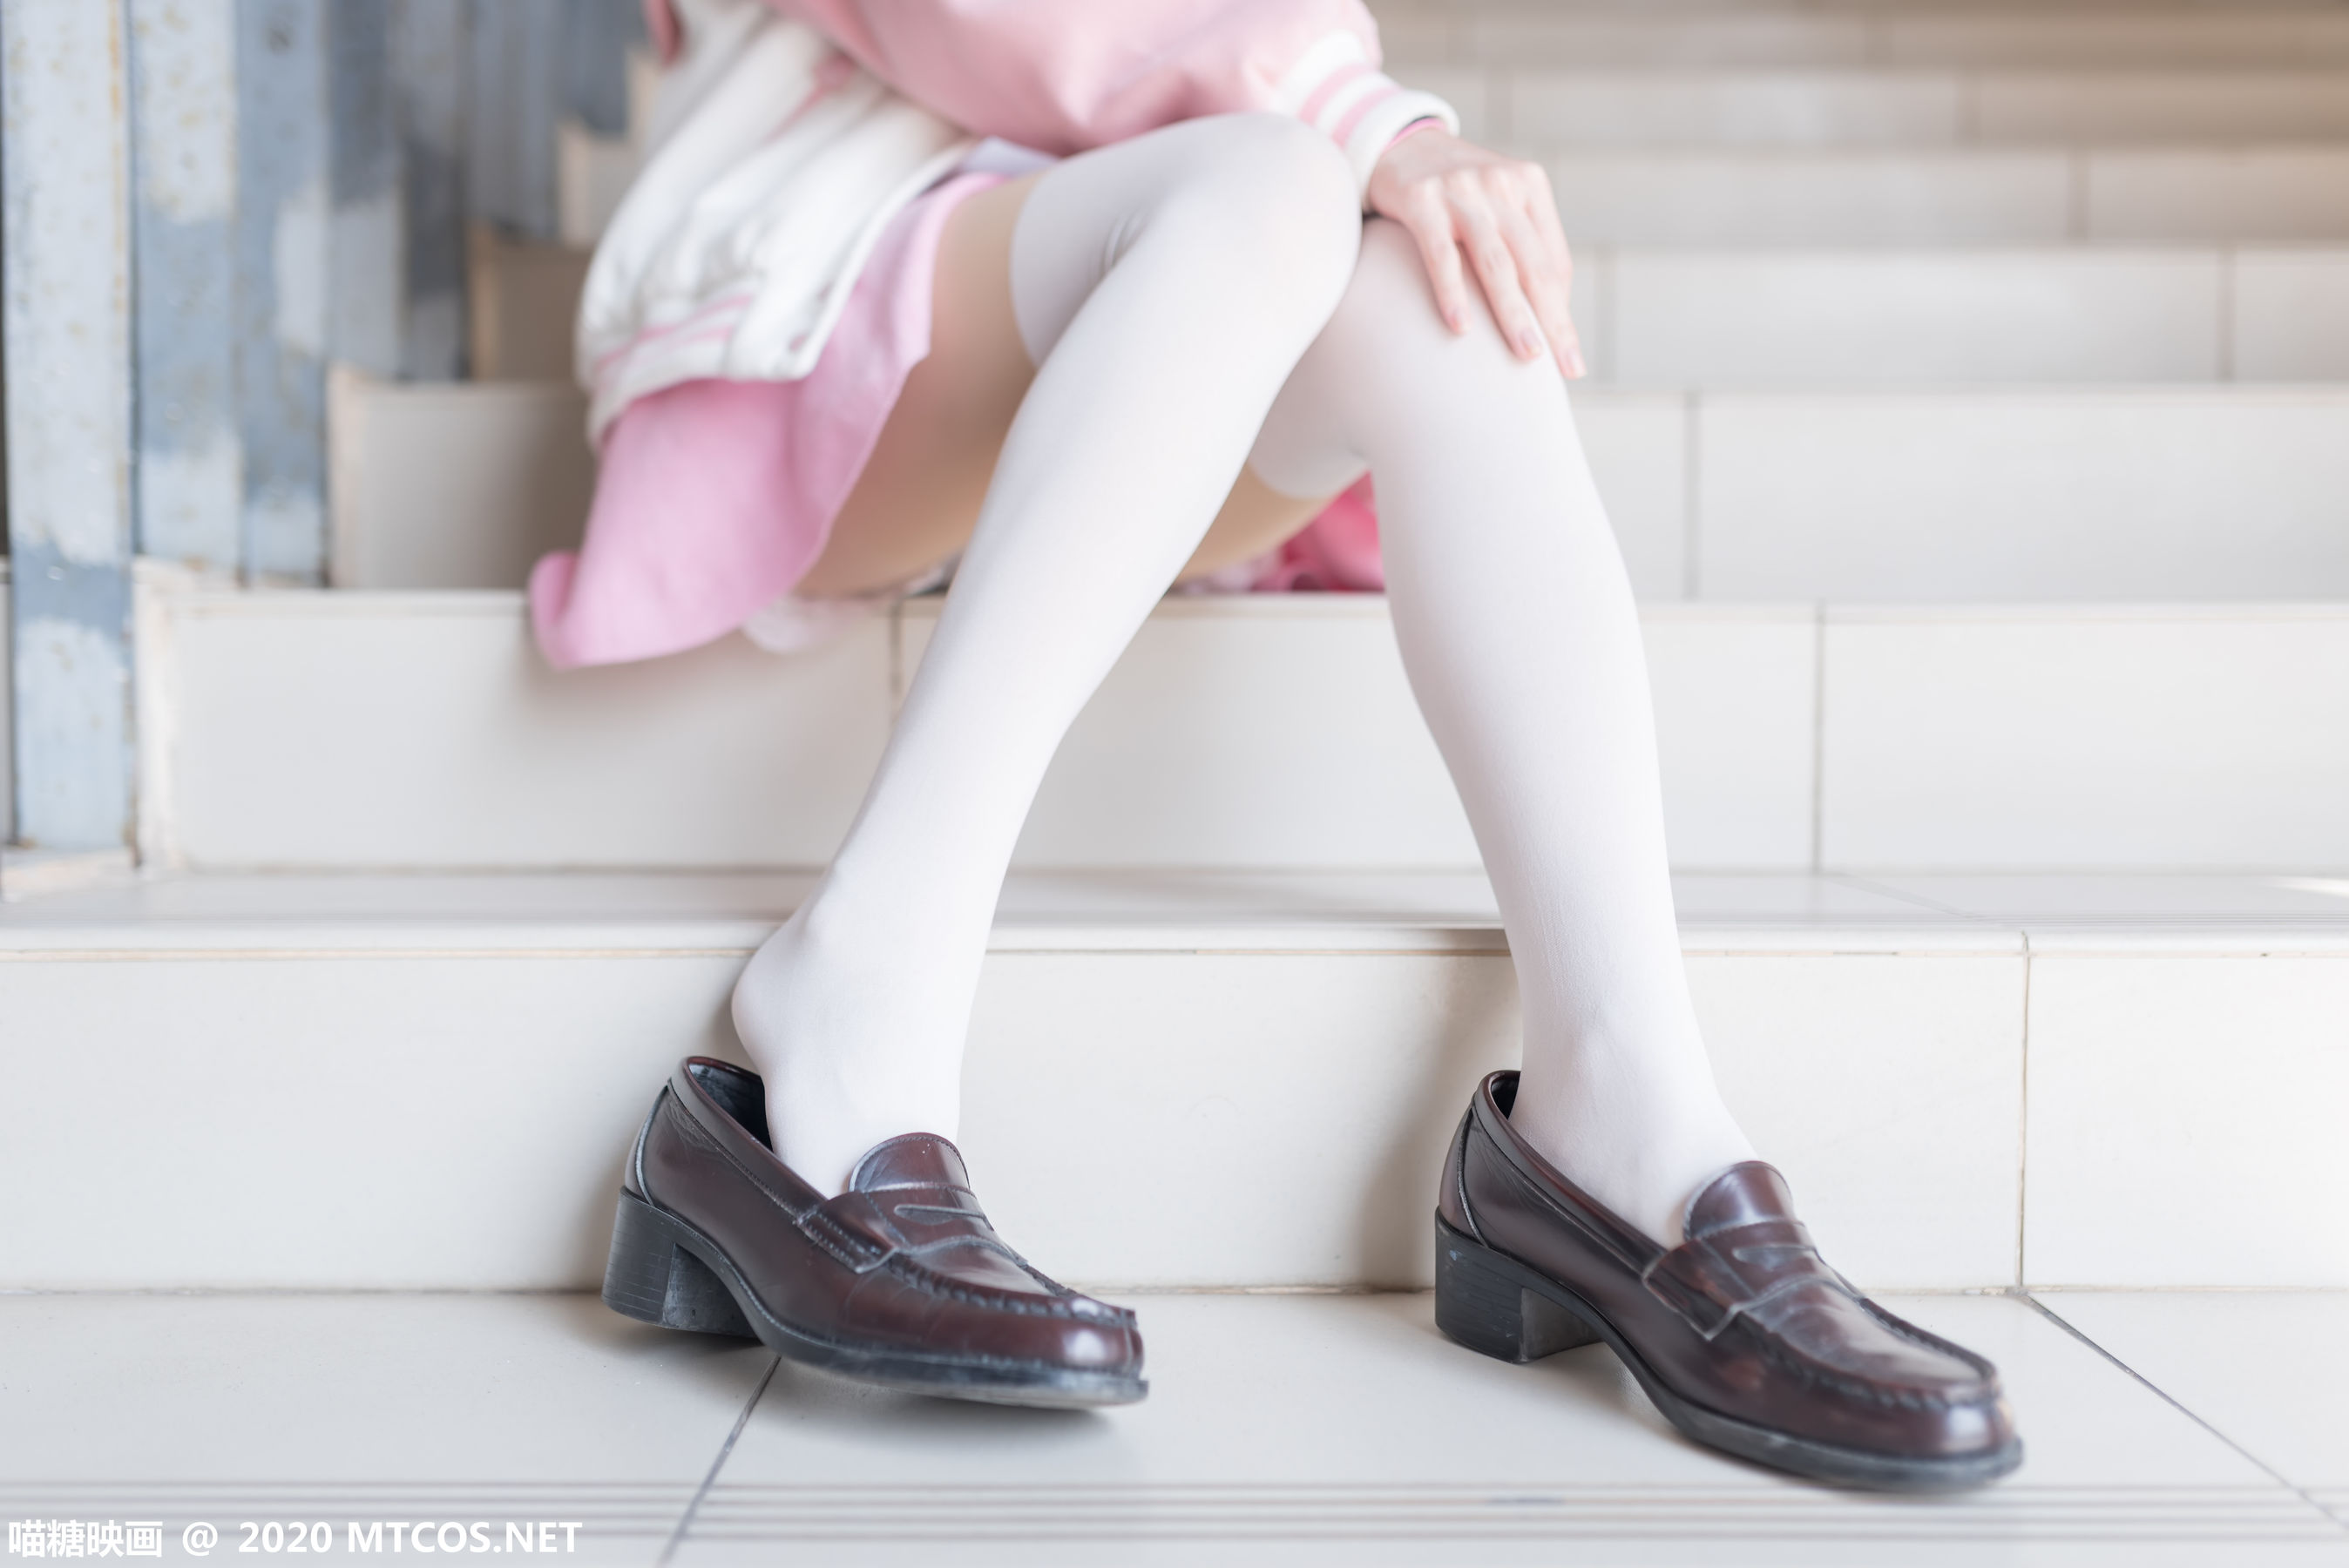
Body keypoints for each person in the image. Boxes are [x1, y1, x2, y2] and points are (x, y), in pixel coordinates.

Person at [552, 0, 2021, 1490]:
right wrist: (1356, 112)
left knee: (1435, 279)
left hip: (1182, 302)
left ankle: (1624, 1096)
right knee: (1281, 173)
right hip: (830, 257)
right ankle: (859, 987)